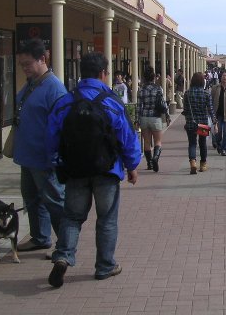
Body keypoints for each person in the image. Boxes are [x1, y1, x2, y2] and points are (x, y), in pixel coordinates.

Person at [46, 51, 140, 287]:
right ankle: (105, 266)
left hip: (75, 169)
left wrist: (56, 161)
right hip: (107, 170)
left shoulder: (66, 102)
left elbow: (51, 138)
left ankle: (63, 255)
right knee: (107, 219)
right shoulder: (111, 102)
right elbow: (127, 136)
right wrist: (132, 165)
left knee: (72, 216)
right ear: (103, 73)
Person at [13, 38, 67, 253]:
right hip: (27, 155)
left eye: (27, 64)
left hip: (44, 157)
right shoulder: (31, 84)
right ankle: (40, 237)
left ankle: (65, 244)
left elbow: (62, 125)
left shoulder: (54, 88)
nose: (24, 68)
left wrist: (55, 156)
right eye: (21, 65)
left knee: (54, 201)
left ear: (42, 59)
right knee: (32, 199)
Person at [182, 73, 216, 174]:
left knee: (192, 143)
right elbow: (210, 109)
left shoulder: (187, 93)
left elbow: (185, 109)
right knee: (202, 143)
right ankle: (203, 164)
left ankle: (193, 162)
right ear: (202, 82)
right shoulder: (206, 94)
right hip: (203, 122)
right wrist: (214, 121)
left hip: (191, 122)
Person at [137, 66, 166, 172]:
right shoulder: (158, 88)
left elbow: (139, 106)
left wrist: (138, 119)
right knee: (158, 141)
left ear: (144, 77)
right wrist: (166, 115)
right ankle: (155, 158)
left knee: (147, 142)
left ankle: (149, 164)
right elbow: (163, 103)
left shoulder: (141, 90)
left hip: (144, 117)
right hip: (155, 117)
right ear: (153, 77)